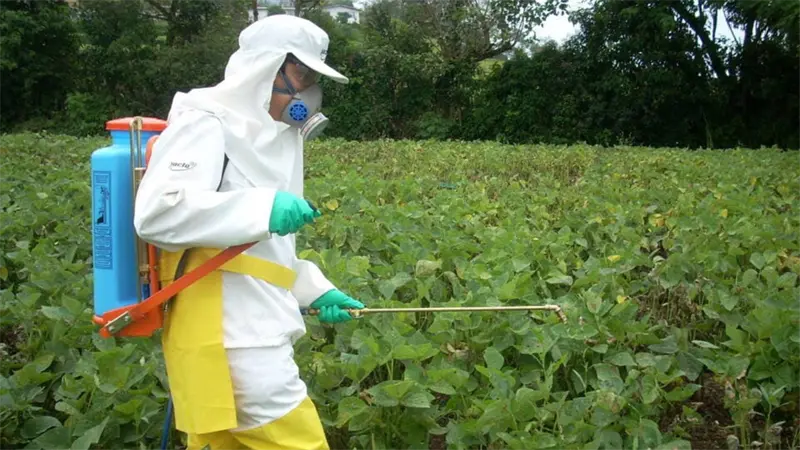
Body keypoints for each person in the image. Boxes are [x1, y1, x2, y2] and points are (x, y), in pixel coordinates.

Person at [133, 14, 364, 450]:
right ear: (265, 69)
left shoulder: (278, 138)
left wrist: (313, 290)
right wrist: (261, 207)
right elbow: (157, 212)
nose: (308, 91)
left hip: (255, 329)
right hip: (231, 339)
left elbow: (262, 251)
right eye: (302, 75)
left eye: (314, 79)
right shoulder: (207, 122)